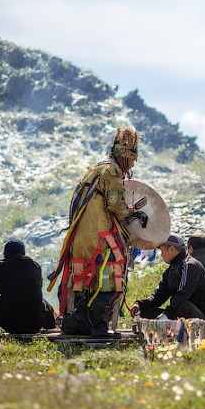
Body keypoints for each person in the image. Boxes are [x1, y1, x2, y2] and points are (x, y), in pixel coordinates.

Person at [55, 127, 139, 337]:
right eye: (132, 159)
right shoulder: (112, 172)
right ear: (125, 156)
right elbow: (116, 208)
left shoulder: (93, 169)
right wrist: (129, 210)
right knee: (109, 277)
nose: (134, 164)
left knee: (85, 279)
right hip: (101, 238)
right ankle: (100, 328)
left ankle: (76, 322)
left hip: (82, 238)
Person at [0, 239, 56, 336]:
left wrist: (1, 297)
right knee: (35, 295)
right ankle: (50, 326)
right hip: (35, 325)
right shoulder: (35, 266)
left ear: (6, 253)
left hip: (10, 324)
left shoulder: (3, 267)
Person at [129, 235, 205, 320]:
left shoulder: (190, 265)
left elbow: (183, 294)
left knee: (184, 306)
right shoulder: (171, 270)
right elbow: (158, 297)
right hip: (178, 312)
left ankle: (169, 327)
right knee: (146, 313)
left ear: (172, 249)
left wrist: (166, 314)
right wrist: (140, 304)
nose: (162, 255)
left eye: (162, 251)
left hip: (201, 317)